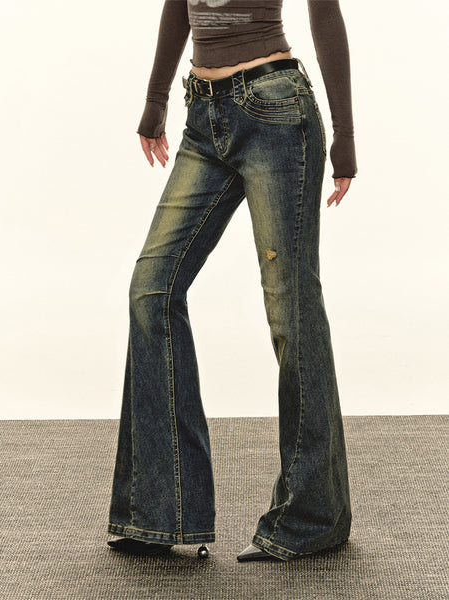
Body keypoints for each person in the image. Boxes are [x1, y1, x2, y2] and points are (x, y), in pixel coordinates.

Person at [107, 0, 357, 563]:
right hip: (204, 117)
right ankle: (163, 512)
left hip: (276, 111)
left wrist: (345, 133)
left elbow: (325, 12)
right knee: (152, 288)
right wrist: (155, 99)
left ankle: (312, 517)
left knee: (291, 312)